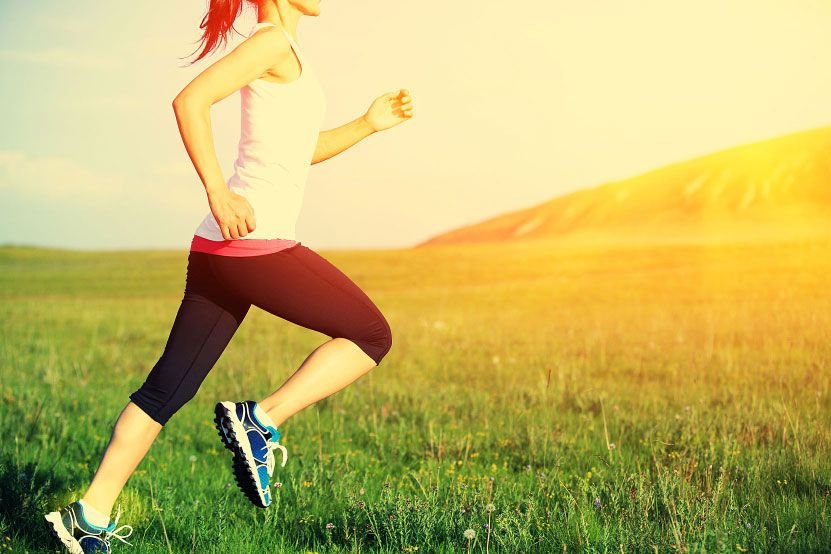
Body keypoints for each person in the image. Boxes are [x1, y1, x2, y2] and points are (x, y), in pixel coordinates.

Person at [44, 0, 414, 551]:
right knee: (372, 335)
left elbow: (299, 150)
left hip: (218, 250)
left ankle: (87, 518)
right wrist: (218, 191)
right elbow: (189, 100)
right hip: (255, 245)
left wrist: (366, 125)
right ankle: (260, 420)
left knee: (167, 389)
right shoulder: (271, 42)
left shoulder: (285, 50)